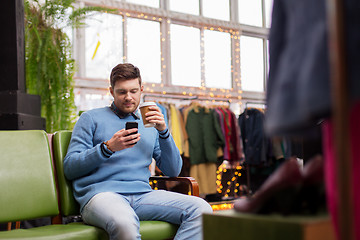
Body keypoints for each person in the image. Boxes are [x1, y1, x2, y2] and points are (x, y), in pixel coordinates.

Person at [64, 63, 213, 240]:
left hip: (143, 195)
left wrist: (164, 131)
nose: (128, 97)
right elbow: (70, 167)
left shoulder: (149, 123)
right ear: (111, 92)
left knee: (202, 209)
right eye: (122, 92)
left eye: (133, 91)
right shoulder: (90, 118)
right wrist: (108, 148)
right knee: (124, 222)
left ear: (141, 90)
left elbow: (173, 170)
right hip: (101, 195)